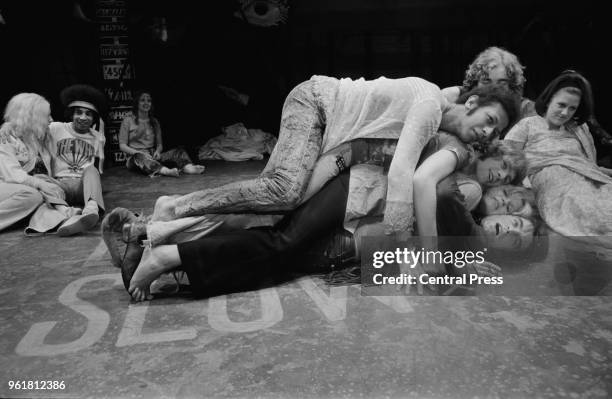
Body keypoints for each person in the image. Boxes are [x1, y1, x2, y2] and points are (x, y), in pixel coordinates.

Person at [151, 77, 519, 238]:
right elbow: (403, 174)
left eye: (496, 130)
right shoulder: (429, 108)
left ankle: (164, 230)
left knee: (268, 206)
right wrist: (406, 245)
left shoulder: (444, 108)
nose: (489, 133)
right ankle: (176, 206)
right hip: (316, 103)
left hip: (332, 138)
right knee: (283, 191)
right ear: (470, 103)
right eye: (489, 120)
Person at [504, 70, 612, 243]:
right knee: (582, 203)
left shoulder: (578, 130)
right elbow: (506, 159)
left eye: (572, 108)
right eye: (561, 105)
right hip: (551, 182)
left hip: (585, 179)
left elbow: (588, 165)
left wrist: (604, 173)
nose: (565, 113)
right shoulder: (527, 125)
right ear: (548, 100)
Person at [46, 84, 107, 236]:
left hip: (82, 186)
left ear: (94, 118)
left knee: (92, 171)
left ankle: (91, 210)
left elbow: (97, 170)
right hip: (60, 185)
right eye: (78, 112)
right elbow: (30, 127)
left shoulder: (98, 137)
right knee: (39, 179)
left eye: (88, 114)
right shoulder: (56, 128)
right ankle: (67, 213)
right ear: (71, 114)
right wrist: (9, 126)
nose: (83, 117)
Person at [0, 93, 65, 232]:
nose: (51, 120)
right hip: (7, 186)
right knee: (32, 195)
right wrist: (41, 184)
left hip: (29, 187)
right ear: (32, 117)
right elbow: (12, 175)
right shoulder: (5, 137)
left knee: (44, 194)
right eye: (47, 116)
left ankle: (60, 218)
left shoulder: (40, 137)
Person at [119, 91, 205, 177]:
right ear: (137, 103)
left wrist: (157, 151)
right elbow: (122, 146)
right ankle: (165, 171)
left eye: (149, 101)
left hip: (152, 155)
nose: (146, 103)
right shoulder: (128, 121)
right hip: (135, 157)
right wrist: (139, 153)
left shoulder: (154, 122)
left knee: (178, 151)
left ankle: (188, 167)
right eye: (142, 100)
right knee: (140, 157)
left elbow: (159, 144)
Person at [441, 46, 535, 119]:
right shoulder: (452, 97)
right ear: (475, 82)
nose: (493, 89)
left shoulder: (526, 109)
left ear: (512, 85)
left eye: (502, 83)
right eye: (486, 81)